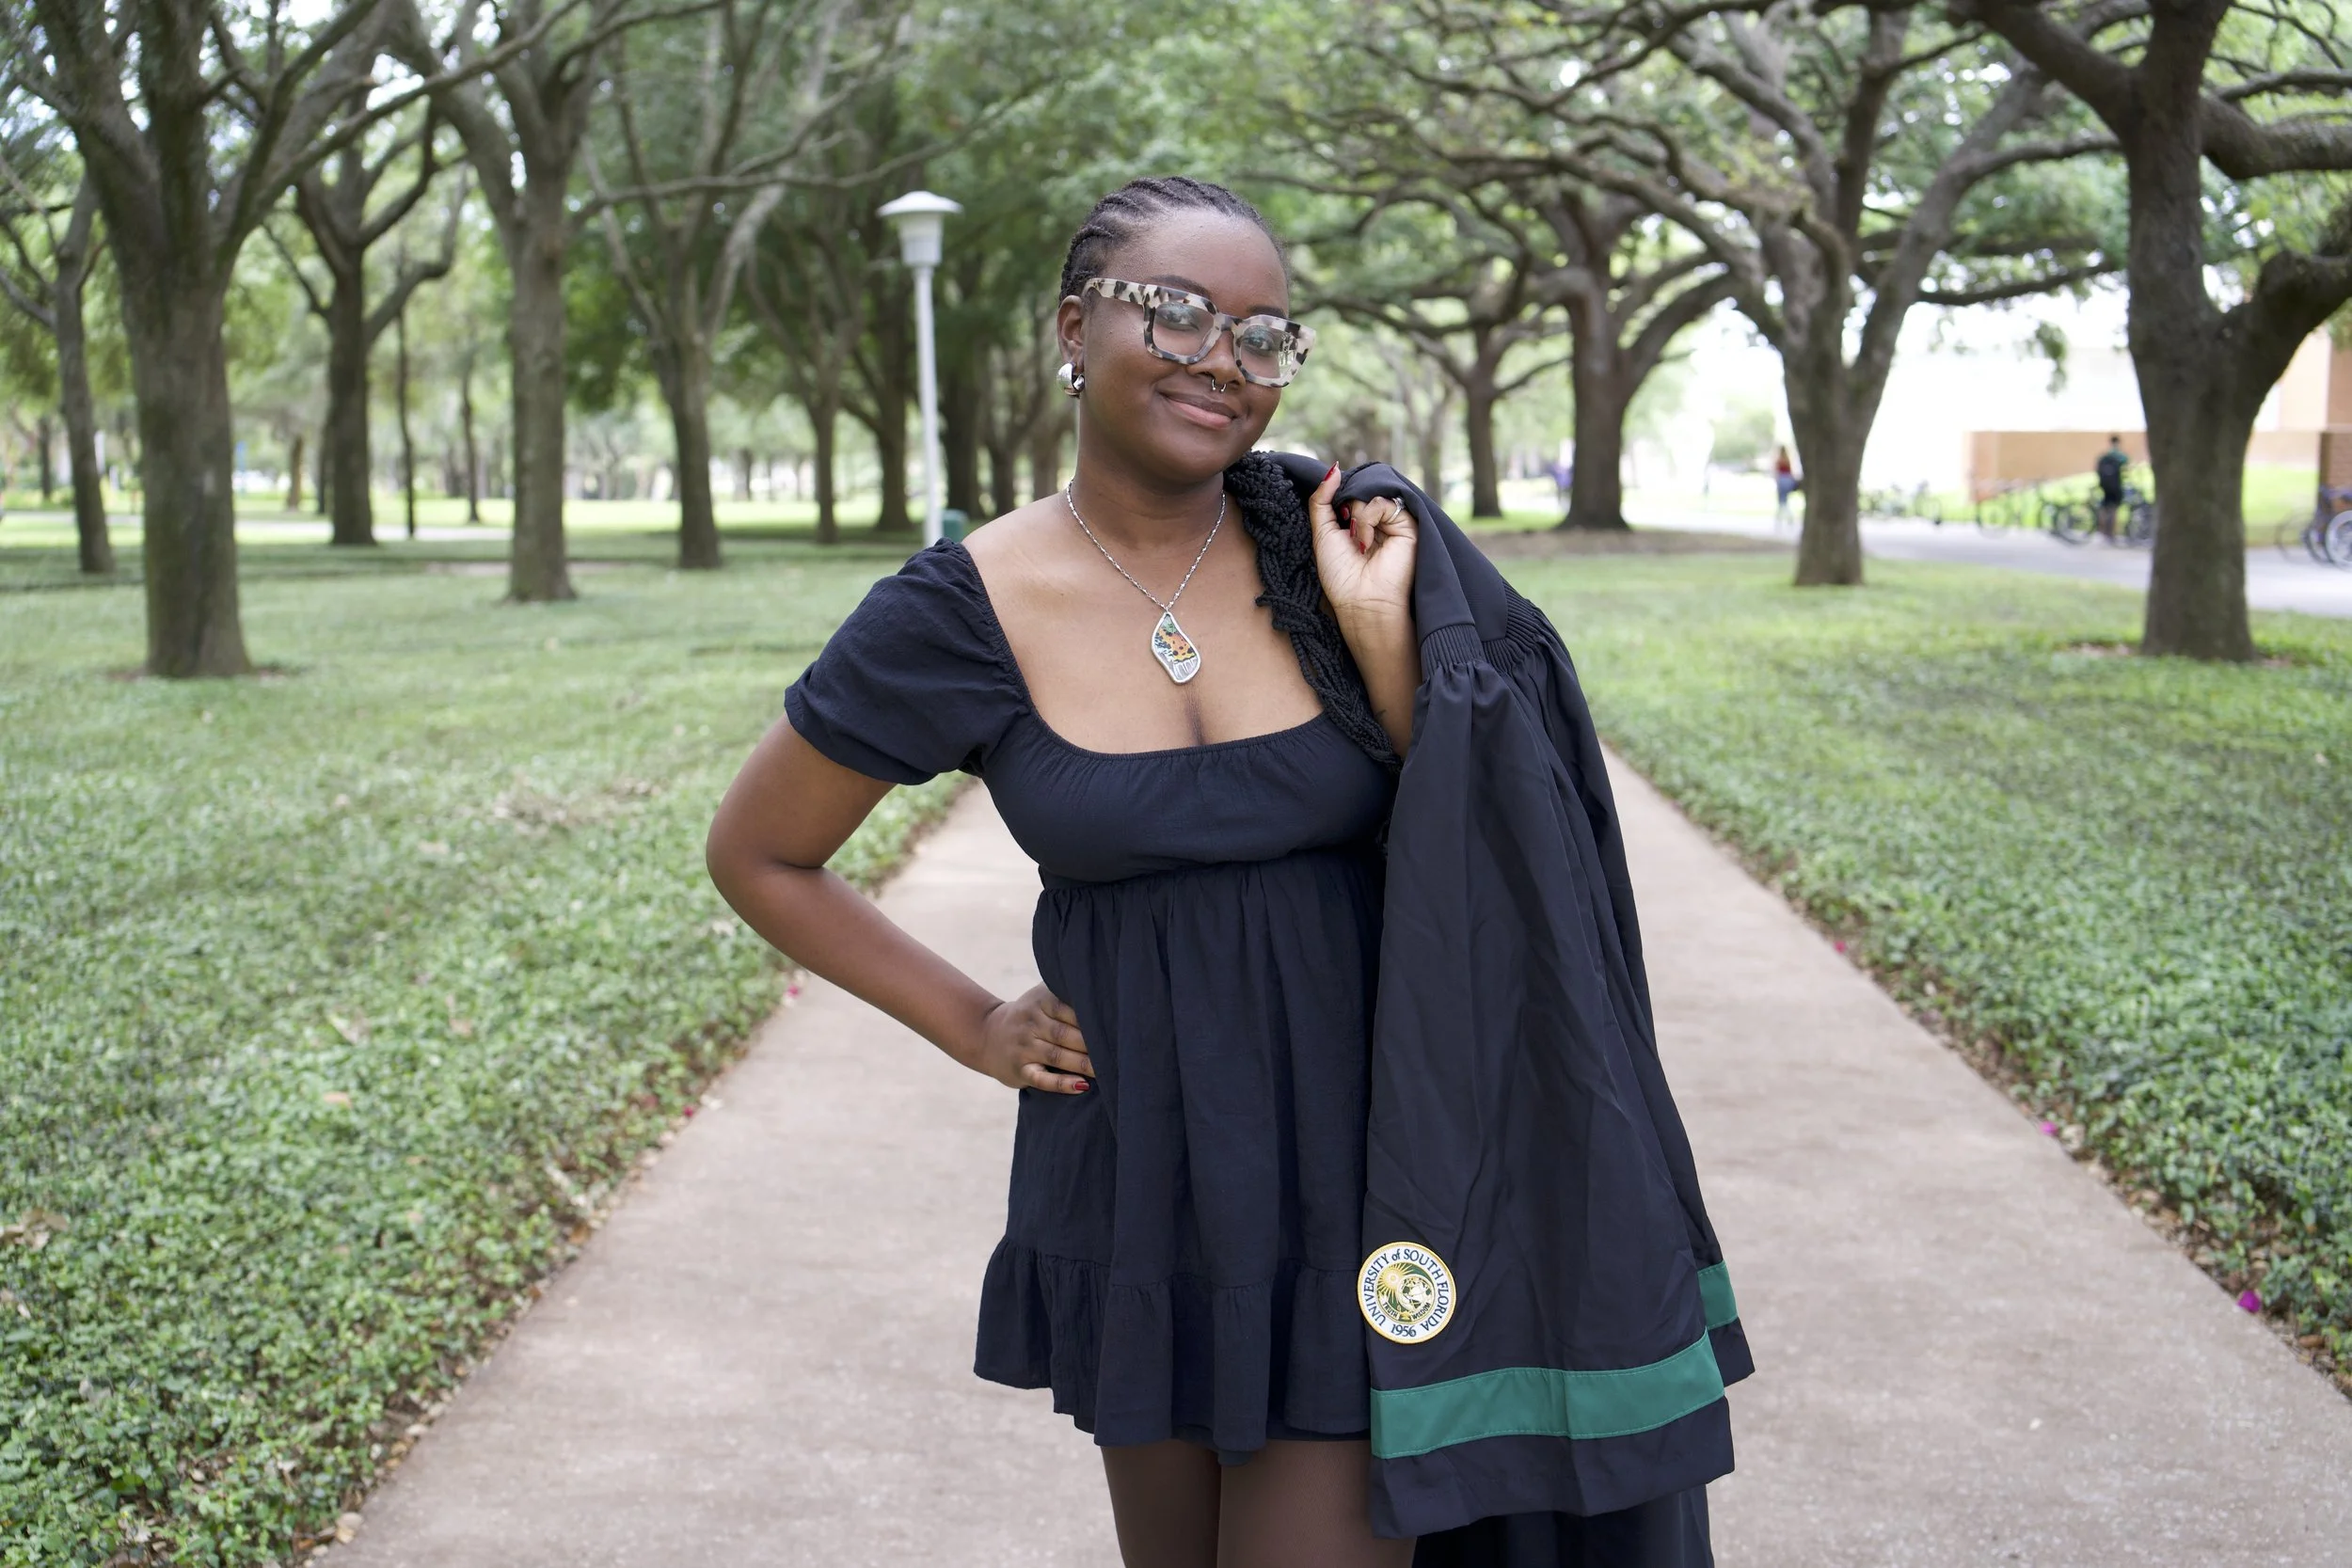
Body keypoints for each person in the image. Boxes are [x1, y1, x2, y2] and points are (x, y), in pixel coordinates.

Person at [707, 177, 1740, 1568]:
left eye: (1263, 334)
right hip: (1142, 1173)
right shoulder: (958, 610)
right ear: (1074, 326)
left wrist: (1383, 642)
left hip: (1372, 1169)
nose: (1221, 358)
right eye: (1176, 311)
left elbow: (1495, 831)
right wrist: (973, 1022)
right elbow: (763, 851)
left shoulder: (1339, 546)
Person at [2094, 435, 2128, 541]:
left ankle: (2102, 531)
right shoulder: (2120, 456)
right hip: (2116, 486)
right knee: (2114, 509)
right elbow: (2126, 464)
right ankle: (2111, 533)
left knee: (2104, 508)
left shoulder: (2105, 456)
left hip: (2105, 485)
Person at [1772, 444, 1799, 523]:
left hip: (1782, 480)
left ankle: (1779, 519)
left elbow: (1776, 472)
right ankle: (1787, 517)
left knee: (1781, 501)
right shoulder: (1787, 460)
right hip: (1788, 480)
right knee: (1785, 501)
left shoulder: (1779, 460)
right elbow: (1791, 472)